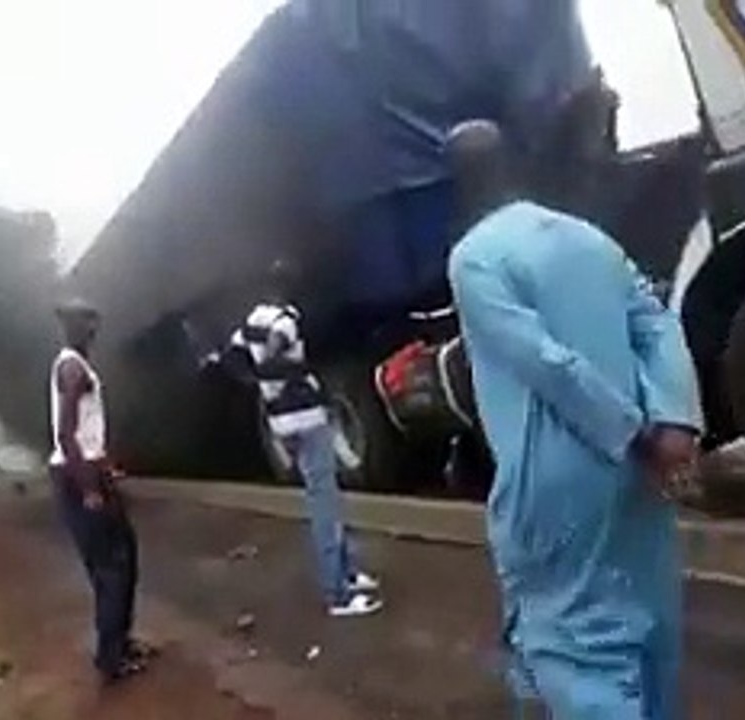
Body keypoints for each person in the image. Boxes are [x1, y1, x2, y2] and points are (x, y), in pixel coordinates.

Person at [446, 120, 702, 719]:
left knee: (575, 649)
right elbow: (657, 323)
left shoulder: (474, 260)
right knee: (647, 635)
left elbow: (543, 361)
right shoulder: (588, 238)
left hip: (556, 483)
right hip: (638, 479)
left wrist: (631, 433)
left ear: (457, 185)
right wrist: (672, 423)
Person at [217, 261, 383, 618]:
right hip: (305, 418)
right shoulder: (285, 321)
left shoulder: (253, 319)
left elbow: (231, 358)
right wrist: (300, 374)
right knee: (325, 503)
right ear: (290, 287)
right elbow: (275, 356)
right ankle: (338, 594)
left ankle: (349, 573)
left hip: (280, 421)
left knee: (327, 495)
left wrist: (256, 383)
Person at [49, 297, 151, 685]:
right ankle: (111, 658)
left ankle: (120, 643)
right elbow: (65, 433)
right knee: (113, 568)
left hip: (87, 472)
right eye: (85, 323)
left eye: (93, 321)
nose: (92, 329)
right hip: (78, 478)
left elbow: (87, 432)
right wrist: (90, 487)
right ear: (72, 328)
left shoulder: (75, 364)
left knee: (122, 561)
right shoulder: (73, 368)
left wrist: (106, 467)